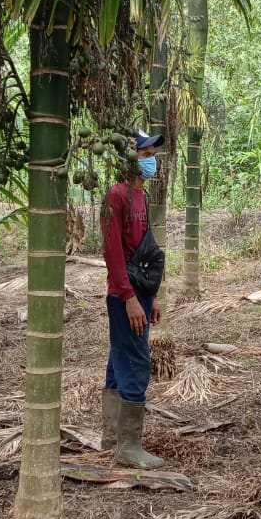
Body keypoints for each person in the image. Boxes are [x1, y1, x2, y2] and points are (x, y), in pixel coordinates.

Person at [101, 129, 166, 469]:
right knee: (136, 362)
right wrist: (128, 297)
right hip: (123, 294)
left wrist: (150, 296)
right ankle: (129, 447)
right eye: (144, 153)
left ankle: (112, 437)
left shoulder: (141, 196)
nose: (151, 159)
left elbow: (145, 252)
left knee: (119, 358)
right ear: (127, 158)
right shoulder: (117, 195)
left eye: (152, 153)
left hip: (138, 292)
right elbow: (112, 253)